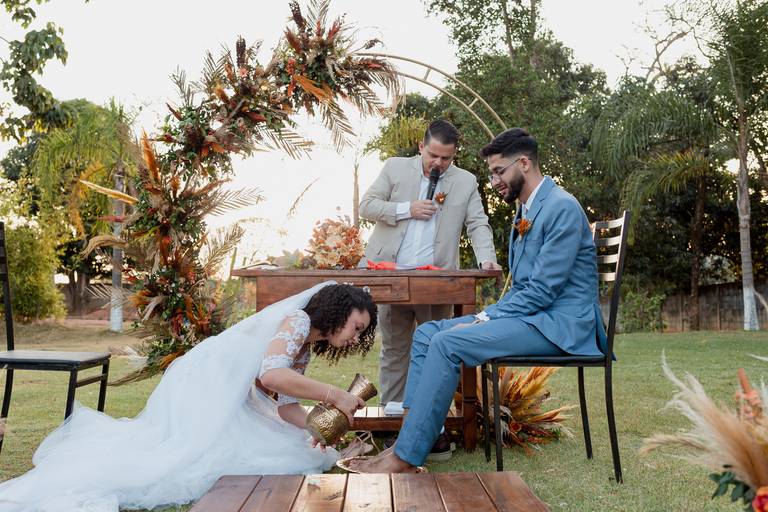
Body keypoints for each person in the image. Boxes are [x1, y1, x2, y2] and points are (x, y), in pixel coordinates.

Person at [353, 127, 608, 473]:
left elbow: (542, 291)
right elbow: (523, 288)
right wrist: (491, 315)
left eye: (499, 171)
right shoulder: (526, 209)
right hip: (532, 317)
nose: (495, 181)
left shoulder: (560, 207)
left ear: (524, 163)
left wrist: (486, 317)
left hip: (559, 325)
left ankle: (405, 458)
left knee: (447, 342)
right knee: (427, 334)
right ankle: (406, 442)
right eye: (492, 173)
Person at [0, 283, 377, 511]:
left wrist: (317, 428)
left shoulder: (305, 345)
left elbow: (286, 406)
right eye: (357, 327)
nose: (356, 338)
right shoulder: (297, 321)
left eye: (362, 333)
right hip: (203, 384)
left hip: (227, 393)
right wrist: (336, 395)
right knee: (187, 458)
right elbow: (271, 375)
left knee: (296, 449)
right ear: (338, 312)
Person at [359, 119, 500, 409]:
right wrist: (406, 209)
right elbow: (367, 206)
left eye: (446, 158)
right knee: (394, 350)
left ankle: (430, 418)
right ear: (421, 146)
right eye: (433, 155)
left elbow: (477, 223)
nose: (438, 163)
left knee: (438, 348)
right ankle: (392, 417)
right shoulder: (395, 167)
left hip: (436, 282)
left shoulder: (466, 182)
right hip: (391, 277)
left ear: (454, 154)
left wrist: (487, 259)